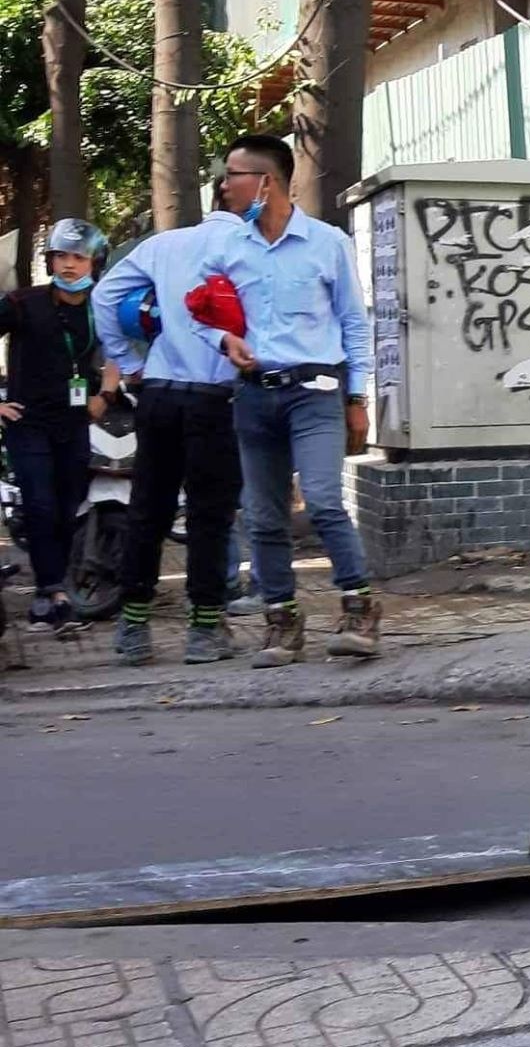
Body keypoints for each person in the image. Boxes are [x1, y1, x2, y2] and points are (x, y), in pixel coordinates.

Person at [194, 134, 380, 666]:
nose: (224, 185)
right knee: (263, 515)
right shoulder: (226, 247)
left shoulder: (326, 243)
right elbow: (202, 316)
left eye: (233, 174)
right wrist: (224, 340)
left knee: (322, 499)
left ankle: (359, 607)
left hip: (316, 392)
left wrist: (358, 394)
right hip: (253, 397)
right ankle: (282, 621)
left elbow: (353, 323)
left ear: (266, 182)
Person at [91, 207, 245, 665]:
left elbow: (104, 296)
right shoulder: (248, 249)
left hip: (158, 394)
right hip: (217, 398)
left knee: (148, 511)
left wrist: (128, 361)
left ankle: (133, 628)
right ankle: (203, 630)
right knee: (209, 516)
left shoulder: (163, 245)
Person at [0, 219, 108, 630]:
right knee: (41, 505)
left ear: (94, 262)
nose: (68, 265)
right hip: (28, 422)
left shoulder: (103, 306)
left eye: (77, 257)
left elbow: (119, 350)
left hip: (74, 422)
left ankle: (53, 590)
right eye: (60, 256)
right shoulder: (23, 303)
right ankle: (52, 592)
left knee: (68, 506)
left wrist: (107, 394)